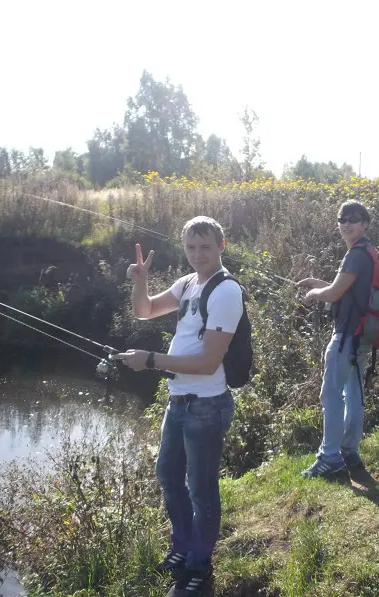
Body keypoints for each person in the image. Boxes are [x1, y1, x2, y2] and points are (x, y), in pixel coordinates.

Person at [114, 216, 243, 597]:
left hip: (206, 405)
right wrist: (140, 280)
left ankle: (199, 568)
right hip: (179, 400)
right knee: (169, 476)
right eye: (191, 247)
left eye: (205, 247)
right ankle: (183, 547)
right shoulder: (188, 283)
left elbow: (207, 363)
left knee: (202, 491)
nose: (198, 254)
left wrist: (151, 360)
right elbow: (145, 310)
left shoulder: (225, 291)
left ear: (221, 245)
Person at [296, 200, 374, 478]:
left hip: (346, 335)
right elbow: (343, 289)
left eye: (353, 218)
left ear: (365, 223)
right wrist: (316, 283)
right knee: (353, 393)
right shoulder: (368, 252)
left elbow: (333, 294)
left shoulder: (355, 254)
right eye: (342, 219)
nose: (346, 224)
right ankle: (349, 451)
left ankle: (330, 457)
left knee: (330, 394)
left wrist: (314, 294)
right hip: (362, 335)